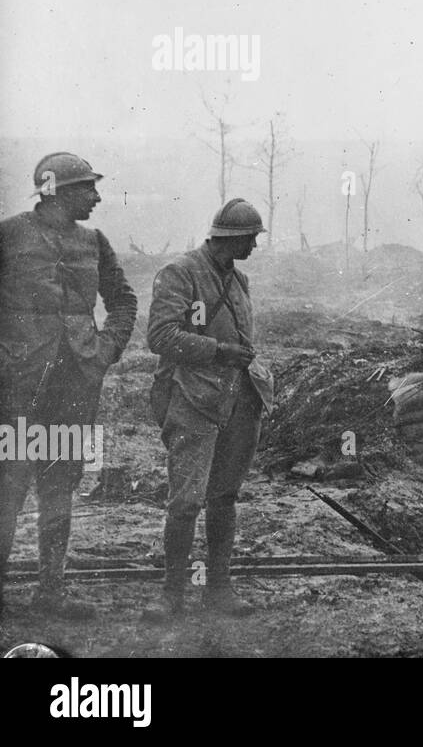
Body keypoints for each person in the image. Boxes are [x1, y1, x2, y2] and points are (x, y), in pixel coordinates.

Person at [0, 153, 138, 621]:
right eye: (86, 189)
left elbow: (123, 299)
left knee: (61, 483)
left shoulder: (94, 241)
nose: (97, 197)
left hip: (76, 383)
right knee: (10, 483)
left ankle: (51, 593)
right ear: (54, 190)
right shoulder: (9, 234)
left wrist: (104, 351)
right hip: (18, 385)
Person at [142, 199, 274, 622]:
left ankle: (219, 589)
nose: (255, 245)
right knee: (185, 502)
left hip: (239, 400)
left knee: (224, 498)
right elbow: (161, 336)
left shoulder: (240, 281)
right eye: (251, 238)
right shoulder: (180, 273)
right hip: (192, 399)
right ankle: (171, 595)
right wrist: (219, 351)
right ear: (231, 238)